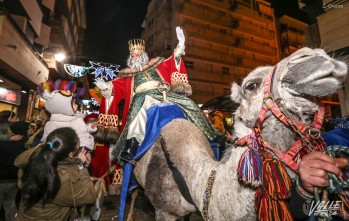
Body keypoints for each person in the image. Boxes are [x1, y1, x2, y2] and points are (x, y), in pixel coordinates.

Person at [95, 26, 220, 162]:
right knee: (138, 109)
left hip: (162, 93)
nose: (135, 56)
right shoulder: (127, 74)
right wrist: (106, 86)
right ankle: (132, 143)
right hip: (142, 96)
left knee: (188, 103)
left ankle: (209, 133)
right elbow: (116, 86)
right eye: (133, 55)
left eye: (138, 54)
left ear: (143, 54)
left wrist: (181, 44)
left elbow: (172, 61)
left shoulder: (156, 64)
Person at [14, 127, 97, 220]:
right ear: (70, 154)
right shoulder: (63, 178)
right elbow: (90, 196)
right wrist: (81, 166)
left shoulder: (32, 160)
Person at [39, 81, 95, 151]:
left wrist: (90, 127)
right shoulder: (76, 120)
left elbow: (46, 139)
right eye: (74, 103)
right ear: (65, 107)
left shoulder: (51, 122)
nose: (77, 105)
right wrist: (85, 149)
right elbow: (82, 135)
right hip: (77, 151)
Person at [0, 121, 29, 221]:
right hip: (15, 179)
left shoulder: (3, 144)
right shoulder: (26, 145)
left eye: (10, 129)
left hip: (2, 179)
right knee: (10, 203)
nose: (8, 129)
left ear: (14, 131)